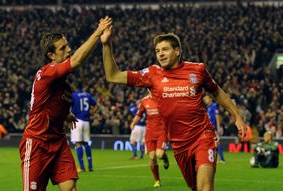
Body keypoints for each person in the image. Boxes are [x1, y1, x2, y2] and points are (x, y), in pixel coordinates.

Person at [101, 28, 246, 191]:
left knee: (205, 187)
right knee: (195, 187)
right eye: (157, 51)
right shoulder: (152, 74)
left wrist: (237, 116)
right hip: (179, 145)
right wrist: (106, 44)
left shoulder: (197, 70)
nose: (160, 54)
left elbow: (217, 92)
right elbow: (112, 75)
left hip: (203, 136)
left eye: (165, 49)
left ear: (177, 51)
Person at [19, 16, 112, 191]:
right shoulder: (45, 73)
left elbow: (42, 103)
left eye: (68, 45)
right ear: (51, 55)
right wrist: (98, 32)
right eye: (63, 48)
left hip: (58, 142)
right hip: (37, 142)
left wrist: (64, 114)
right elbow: (76, 61)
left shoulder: (66, 89)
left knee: (70, 188)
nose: (69, 50)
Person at [130, 90, 169, 188]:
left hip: (161, 131)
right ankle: (157, 181)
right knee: (152, 158)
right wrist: (133, 123)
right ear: (148, 90)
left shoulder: (163, 99)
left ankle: (165, 158)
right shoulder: (144, 101)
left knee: (159, 154)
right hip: (150, 133)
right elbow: (139, 114)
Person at [71, 82, 98, 172]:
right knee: (86, 143)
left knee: (78, 143)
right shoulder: (88, 95)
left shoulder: (73, 95)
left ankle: (82, 167)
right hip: (86, 121)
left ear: (74, 86)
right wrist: (91, 113)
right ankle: (90, 166)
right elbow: (95, 105)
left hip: (77, 120)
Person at [203, 94, 225, 164]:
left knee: (216, 143)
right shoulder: (208, 107)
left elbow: (217, 116)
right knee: (209, 143)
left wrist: (218, 127)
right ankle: (210, 158)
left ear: (210, 99)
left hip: (214, 129)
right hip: (208, 129)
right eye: (204, 100)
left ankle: (222, 159)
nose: (205, 101)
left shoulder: (214, 106)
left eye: (206, 99)